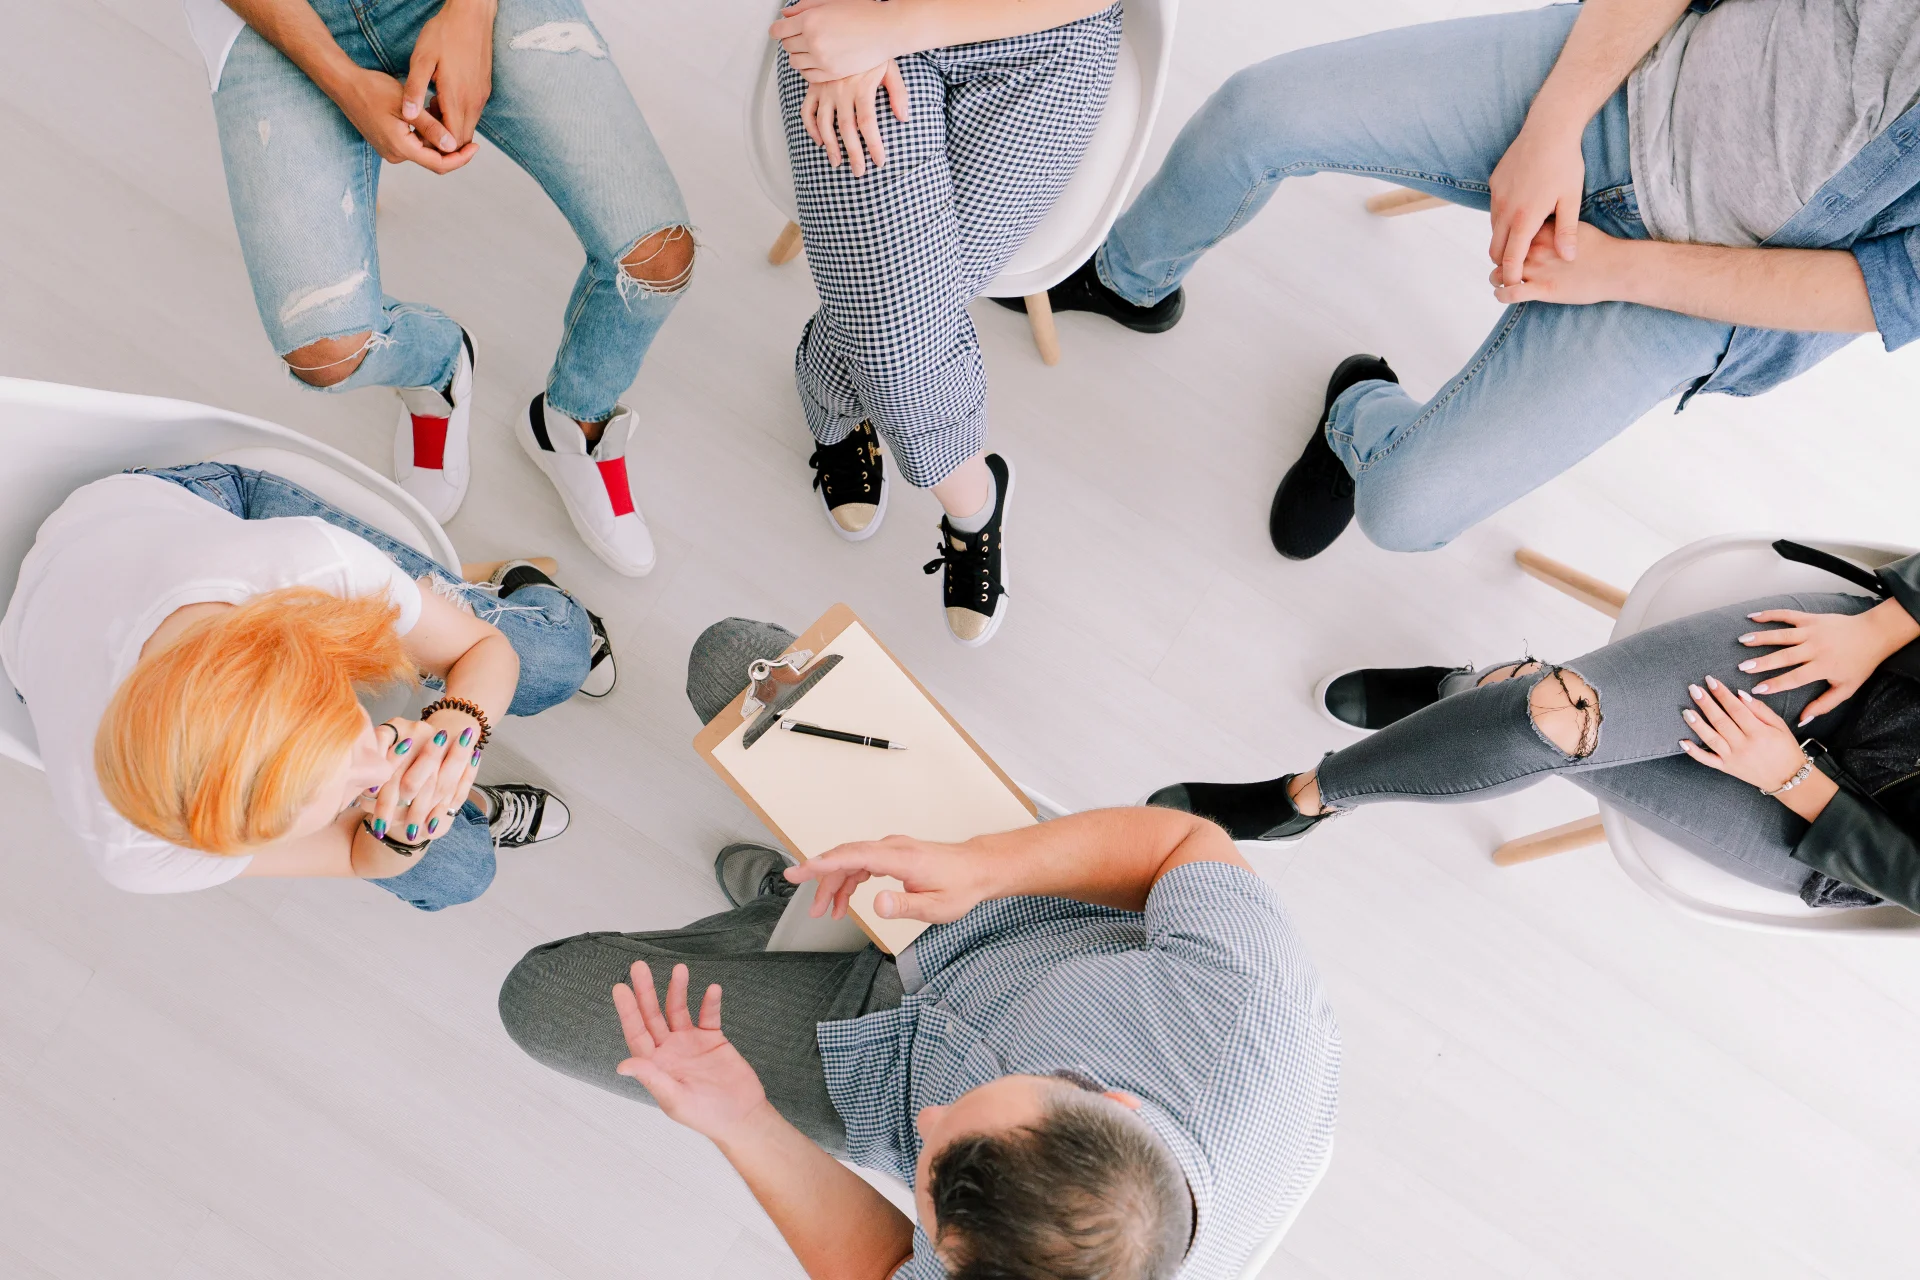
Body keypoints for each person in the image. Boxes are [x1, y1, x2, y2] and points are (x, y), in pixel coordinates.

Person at [496, 618, 1339, 1279]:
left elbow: (882, 1264)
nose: (930, 1120)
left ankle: (787, 904)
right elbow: (1179, 846)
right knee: (735, 667)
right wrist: (983, 864)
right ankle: (790, 904)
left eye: (925, 1173)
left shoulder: (955, 1179)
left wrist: (745, 1122)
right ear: (1114, 1107)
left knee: (542, 1002)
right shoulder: (1255, 1021)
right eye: (968, 1115)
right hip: (1005, 904)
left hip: (873, 1070)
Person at [1022, 0, 1920, 560]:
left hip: (1696, 292)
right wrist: (1553, 124)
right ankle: (1123, 280)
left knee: (1406, 512)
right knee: (1256, 115)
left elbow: (1876, 290)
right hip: (1634, 81)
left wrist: (1615, 268)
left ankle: (1353, 419)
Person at [183, 0, 692, 574]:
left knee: (659, 257)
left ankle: (574, 421)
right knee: (325, 355)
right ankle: (439, 367)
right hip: (277, 23)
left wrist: (471, 14)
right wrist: (342, 80)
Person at [1146, 549, 1920, 916]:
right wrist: (1888, 623)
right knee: (1552, 714)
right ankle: (1332, 781)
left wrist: (1794, 780)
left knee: (1524, 707)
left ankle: (1325, 789)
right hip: (1872, 668)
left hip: (1837, 835)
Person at [0, 462, 615, 910]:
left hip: (181, 512)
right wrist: (410, 821)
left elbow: (487, 650)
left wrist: (460, 723)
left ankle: (504, 585)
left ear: (314, 667)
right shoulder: (134, 854)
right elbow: (354, 856)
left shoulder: (303, 570)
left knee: (550, 659)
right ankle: (460, 790)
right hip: (61, 616)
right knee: (451, 870)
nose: (378, 771)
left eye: (356, 745)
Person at [766, 0, 1123, 645]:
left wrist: (895, 29)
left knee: (898, 306)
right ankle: (973, 501)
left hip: (1040, 32)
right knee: (900, 310)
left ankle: (830, 379)